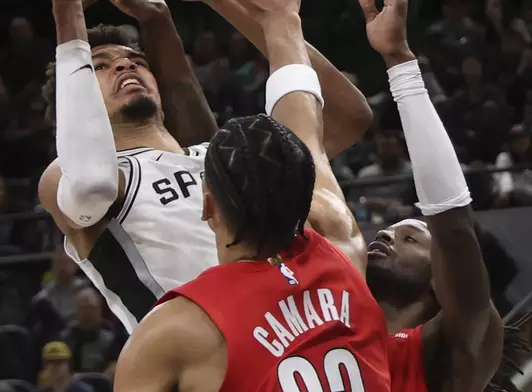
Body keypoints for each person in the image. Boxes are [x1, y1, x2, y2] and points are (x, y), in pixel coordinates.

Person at [39, 0, 371, 332]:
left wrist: (269, 17)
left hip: (306, 331)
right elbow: (90, 187)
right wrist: (68, 14)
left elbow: (346, 116)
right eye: (98, 66)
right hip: (215, 364)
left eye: (137, 61)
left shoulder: (227, 154)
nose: (126, 66)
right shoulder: (68, 176)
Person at [113, 0, 388, 390]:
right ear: (306, 195)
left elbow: (325, 124)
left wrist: (66, 21)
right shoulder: (339, 240)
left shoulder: (174, 329)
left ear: (205, 205)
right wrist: (282, 22)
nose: (125, 68)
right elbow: (304, 125)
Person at [358, 0, 504, 391]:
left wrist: (400, 65)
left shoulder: (456, 351)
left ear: (441, 277)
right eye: (390, 232)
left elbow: (453, 228)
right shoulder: (330, 339)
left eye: (409, 238)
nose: (386, 235)